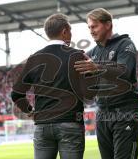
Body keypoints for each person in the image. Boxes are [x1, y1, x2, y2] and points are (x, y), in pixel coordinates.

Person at [11, 13, 87, 159]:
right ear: (64, 31)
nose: (71, 35)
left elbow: (16, 94)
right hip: (70, 122)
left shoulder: (34, 59)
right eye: (70, 31)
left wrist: (30, 111)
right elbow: (92, 91)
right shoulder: (78, 56)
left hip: (43, 124)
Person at [74, 8, 138, 159]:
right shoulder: (92, 53)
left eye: (94, 26)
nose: (91, 31)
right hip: (102, 113)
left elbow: (124, 72)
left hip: (126, 110)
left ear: (108, 24)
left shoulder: (125, 44)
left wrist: (96, 67)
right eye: (89, 27)